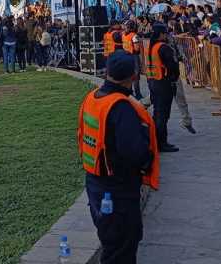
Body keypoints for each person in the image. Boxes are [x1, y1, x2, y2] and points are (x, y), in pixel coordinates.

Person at [78, 52, 160, 264]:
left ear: (108, 72)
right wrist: (147, 159)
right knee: (121, 247)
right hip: (118, 189)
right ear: (133, 77)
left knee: (111, 243)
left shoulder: (93, 97)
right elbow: (133, 151)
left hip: (96, 182)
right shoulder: (120, 107)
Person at [145, 23, 180, 153]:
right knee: (162, 115)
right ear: (161, 34)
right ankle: (161, 143)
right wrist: (174, 77)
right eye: (165, 33)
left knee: (158, 113)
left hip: (153, 82)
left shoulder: (151, 47)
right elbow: (173, 66)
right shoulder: (163, 48)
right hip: (163, 84)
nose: (167, 35)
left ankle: (156, 140)